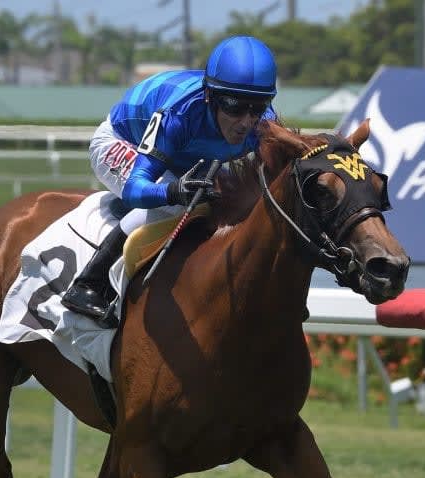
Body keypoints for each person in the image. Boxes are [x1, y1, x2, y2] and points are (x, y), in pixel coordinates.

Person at [60, 35, 279, 325]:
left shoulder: (264, 124)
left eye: (257, 106)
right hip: (123, 141)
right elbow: (137, 188)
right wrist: (173, 192)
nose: (246, 121)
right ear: (210, 96)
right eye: (234, 106)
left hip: (185, 156)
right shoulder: (179, 114)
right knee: (176, 204)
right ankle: (90, 282)